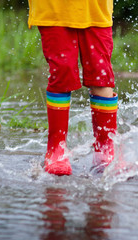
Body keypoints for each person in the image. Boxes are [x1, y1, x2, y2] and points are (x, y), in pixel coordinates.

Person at [28, 0, 118, 176]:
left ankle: (105, 150)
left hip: (96, 10)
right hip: (53, 9)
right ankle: (56, 149)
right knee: (62, 71)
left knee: (101, 76)